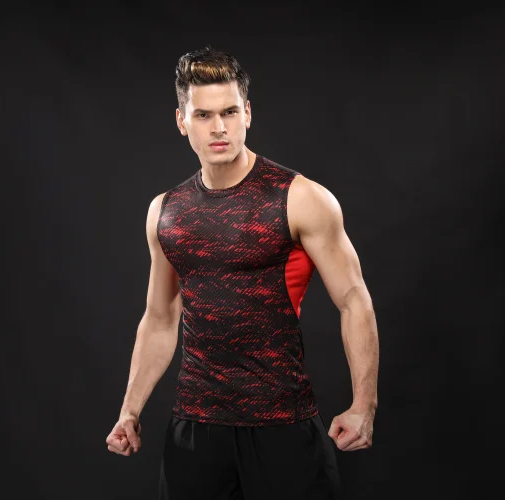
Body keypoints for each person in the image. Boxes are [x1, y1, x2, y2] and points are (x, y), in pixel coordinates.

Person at [105, 46, 380, 500]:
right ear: (181, 121)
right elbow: (160, 318)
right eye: (203, 115)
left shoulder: (299, 198)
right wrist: (129, 411)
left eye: (230, 112)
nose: (219, 127)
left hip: (283, 426)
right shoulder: (166, 212)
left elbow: (354, 299)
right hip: (195, 430)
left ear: (247, 113)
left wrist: (364, 404)